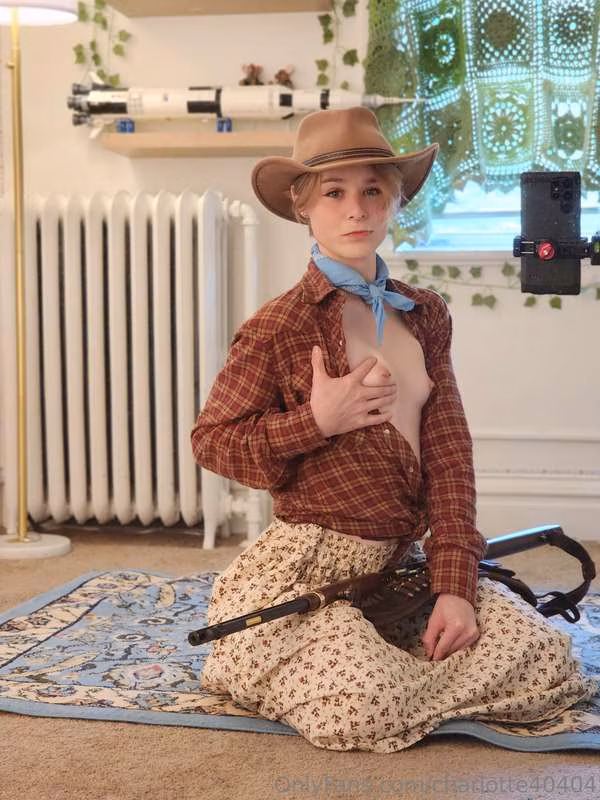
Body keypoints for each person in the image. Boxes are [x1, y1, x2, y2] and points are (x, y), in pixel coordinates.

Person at [191, 107, 595, 752]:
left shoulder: (425, 313)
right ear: (303, 206)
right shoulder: (278, 327)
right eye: (334, 193)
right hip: (310, 576)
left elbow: (450, 455)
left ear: (395, 201)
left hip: (402, 568)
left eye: (373, 191)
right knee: (361, 708)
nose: (357, 210)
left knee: (549, 659)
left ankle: (392, 675)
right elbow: (212, 442)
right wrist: (317, 421)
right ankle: (321, 668)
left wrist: (454, 587)